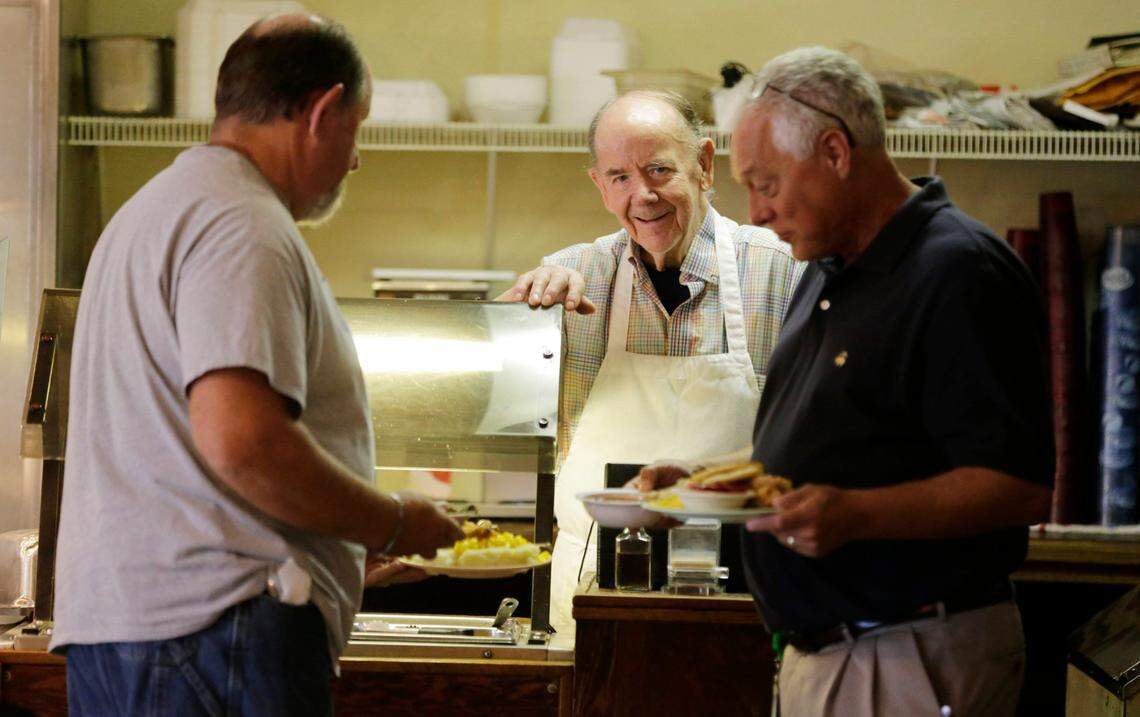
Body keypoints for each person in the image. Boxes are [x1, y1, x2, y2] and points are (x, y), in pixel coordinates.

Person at [51, 14, 463, 716]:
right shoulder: (243, 223)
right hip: (219, 631)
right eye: (356, 130)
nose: (354, 159)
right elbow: (244, 442)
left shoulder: (149, 212)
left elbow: (187, 455)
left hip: (131, 631)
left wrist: (337, 534)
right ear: (322, 110)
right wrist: (391, 521)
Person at [639, 47, 1054, 716]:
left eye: (767, 183)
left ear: (834, 151)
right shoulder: (829, 267)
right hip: (831, 654)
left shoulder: (958, 271)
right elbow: (828, 452)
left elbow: (1019, 485)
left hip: (908, 653)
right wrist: (700, 480)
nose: (759, 210)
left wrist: (854, 515)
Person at [499, 90, 802, 630]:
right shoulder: (570, 277)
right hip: (587, 596)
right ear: (599, 185)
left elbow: (815, 438)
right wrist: (520, 318)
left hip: (739, 596)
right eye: (619, 177)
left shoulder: (781, 272)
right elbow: (493, 399)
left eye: (659, 170)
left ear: (705, 165)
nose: (642, 195)